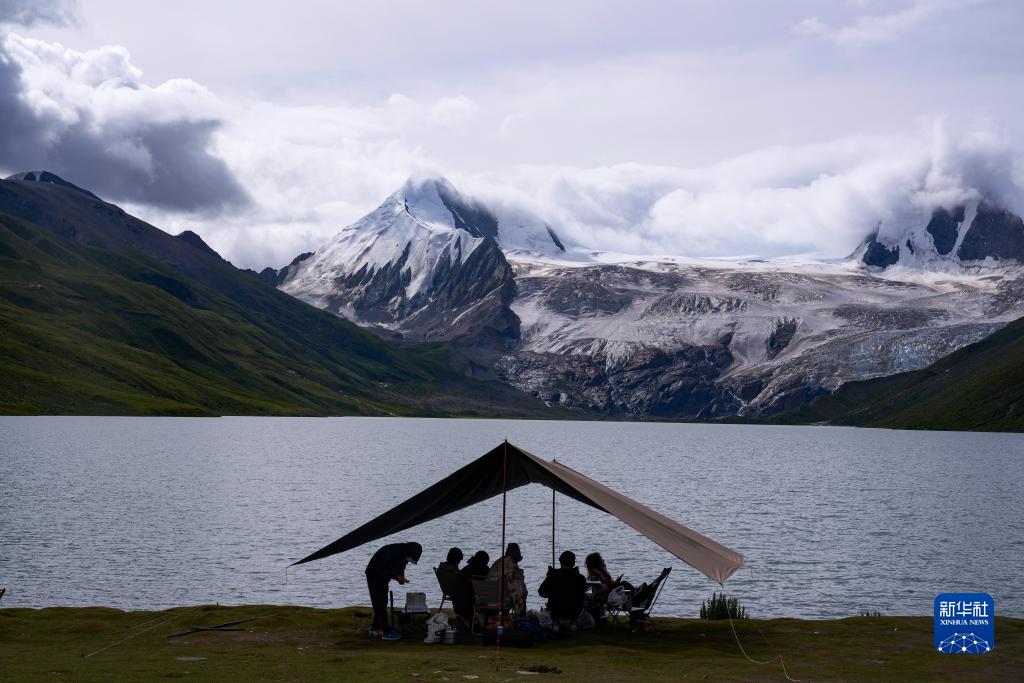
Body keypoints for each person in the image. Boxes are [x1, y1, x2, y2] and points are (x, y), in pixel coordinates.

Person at [365, 541, 422, 638]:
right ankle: (385, 631)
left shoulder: (404, 554)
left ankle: (376, 627)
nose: (408, 561)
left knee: (382, 601)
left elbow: (401, 568)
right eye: (409, 559)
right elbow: (381, 567)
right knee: (379, 602)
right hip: (374, 574)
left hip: (383, 577)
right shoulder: (393, 552)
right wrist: (396, 576)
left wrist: (401, 577)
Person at [538, 550, 587, 623]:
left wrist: (548, 579)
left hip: (556, 614)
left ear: (560, 561)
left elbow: (541, 592)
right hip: (575, 613)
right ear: (573, 563)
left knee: (541, 614)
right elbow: (582, 595)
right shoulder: (581, 578)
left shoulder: (552, 576)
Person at [453, 550, 490, 627]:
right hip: (468, 605)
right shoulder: (481, 572)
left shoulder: (466, 569)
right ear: (484, 562)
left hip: (457, 604)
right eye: (486, 563)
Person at [489, 542, 527, 616]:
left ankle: (507, 616)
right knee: (522, 593)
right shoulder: (511, 565)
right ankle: (521, 618)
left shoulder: (499, 562)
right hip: (500, 599)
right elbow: (516, 585)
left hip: (488, 597)